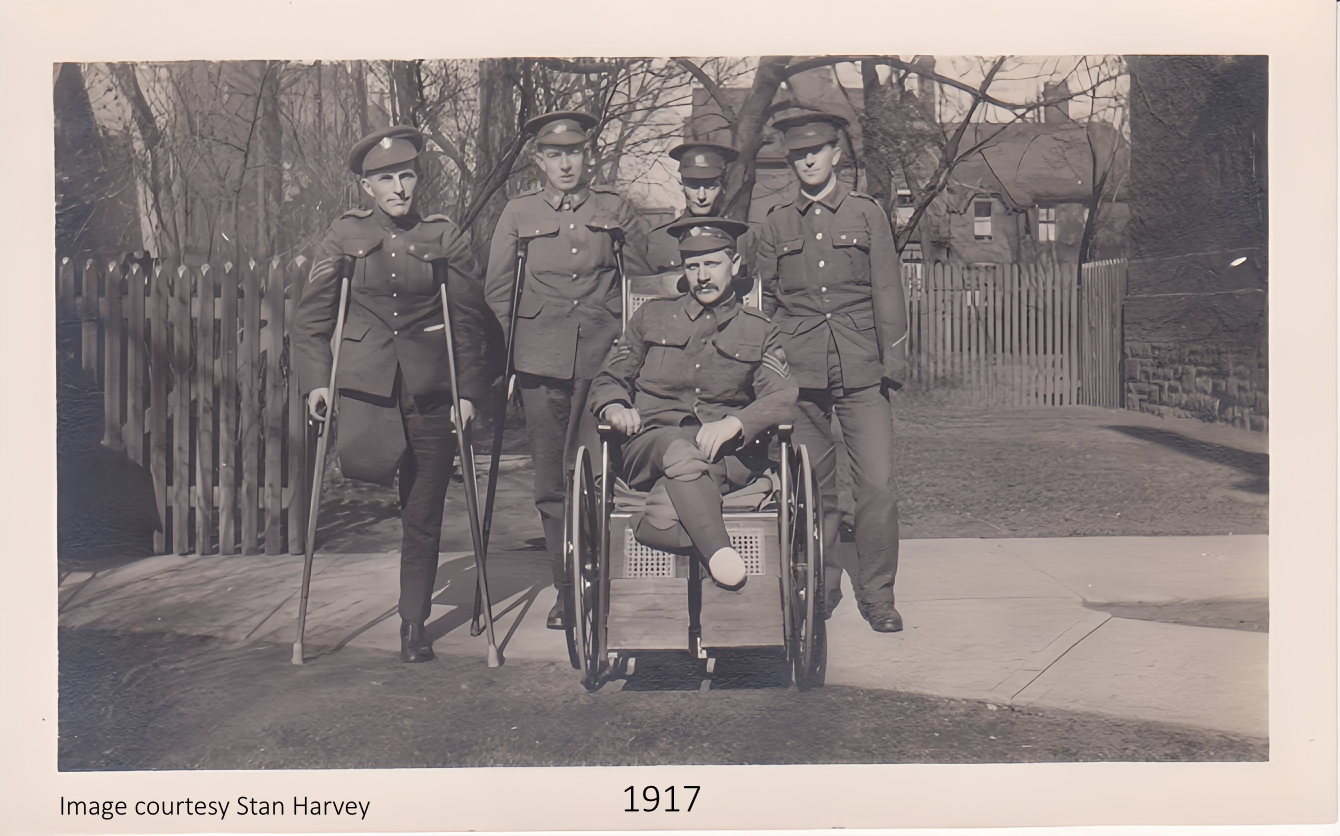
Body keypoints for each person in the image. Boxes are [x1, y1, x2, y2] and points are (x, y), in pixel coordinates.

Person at [293, 126, 493, 662]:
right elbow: (311, 320)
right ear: (366, 187)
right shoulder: (343, 236)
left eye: (406, 175)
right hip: (366, 392)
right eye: (386, 179)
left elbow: (471, 324)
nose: (399, 188)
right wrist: (317, 381)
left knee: (423, 511)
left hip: (433, 391)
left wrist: (468, 392)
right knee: (370, 483)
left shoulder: (444, 237)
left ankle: (413, 623)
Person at [485, 111, 648, 628]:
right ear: (539, 160)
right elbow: (497, 294)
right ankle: (567, 588)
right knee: (552, 483)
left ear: (587, 155)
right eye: (553, 154)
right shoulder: (518, 212)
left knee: (602, 476)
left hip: (603, 361)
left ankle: (605, 580)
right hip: (539, 361)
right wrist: (510, 360)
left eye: (573, 152)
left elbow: (643, 283)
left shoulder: (615, 208)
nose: (564, 163)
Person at [754, 111, 909, 632]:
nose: (808, 160)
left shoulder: (866, 213)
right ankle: (821, 586)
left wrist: (894, 361)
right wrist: (773, 373)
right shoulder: (775, 222)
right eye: (798, 154)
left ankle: (877, 595)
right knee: (813, 490)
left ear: (837, 154)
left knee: (879, 487)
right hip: (801, 373)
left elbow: (888, 289)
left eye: (816, 150)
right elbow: (769, 303)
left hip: (863, 366)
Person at [589, 217, 797, 587]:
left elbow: (782, 394)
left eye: (712, 264)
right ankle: (720, 552)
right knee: (677, 445)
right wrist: (614, 406)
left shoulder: (760, 328)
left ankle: (658, 515)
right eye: (693, 265)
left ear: (733, 266)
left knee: (674, 494)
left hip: (725, 456)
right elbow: (610, 376)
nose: (702, 275)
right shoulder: (651, 316)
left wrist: (736, 424)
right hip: (650, 444)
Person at [643, 142, 755, 283]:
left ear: (723, 187)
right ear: (681, 185)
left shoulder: (743, 239)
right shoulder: (659, 239)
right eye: (693, 185)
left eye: (710, 185)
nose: (701, 196)